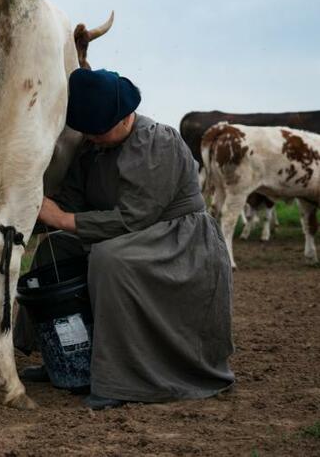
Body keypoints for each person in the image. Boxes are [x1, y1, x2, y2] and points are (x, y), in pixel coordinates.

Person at [15, 68, 235, 410]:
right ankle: (62, 352)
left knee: (109, 260)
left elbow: (133, 218)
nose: (93, 137)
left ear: (125, 116)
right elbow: (71, 203)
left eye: (99, 131)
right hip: (124, 234)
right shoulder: (92, 147)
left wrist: (59, 217)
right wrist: (22, 213)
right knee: (54, 249)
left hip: (176, 240)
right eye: (88, 131)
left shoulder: (157, 142)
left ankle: (120, 379)